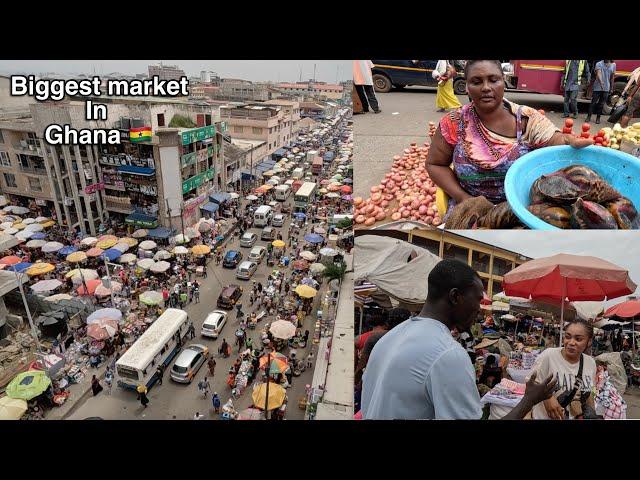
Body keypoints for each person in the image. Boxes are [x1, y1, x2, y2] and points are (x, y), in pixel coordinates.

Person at [360, 259, 556, 420]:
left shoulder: (390, 337)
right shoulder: (448, 353)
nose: (479, 309)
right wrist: (528, 400)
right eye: (478, 299)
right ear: (455, 296)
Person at [426, 60, 593, 221]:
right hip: (470, 206)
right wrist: (464, 198)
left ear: (503, 82)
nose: (486, 88)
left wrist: (567, 141)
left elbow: (553, 138)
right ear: (467, 87)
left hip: (523, 209)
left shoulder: (527, 118)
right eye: (476, 82)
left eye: (493, 80)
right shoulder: (454, 122)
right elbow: (435, 164)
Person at [529, 319, 597, 420]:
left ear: (589, 341)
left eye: (578, 339)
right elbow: (530, 385)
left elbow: (590, 392)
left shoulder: (590, 362)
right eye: (568, 337)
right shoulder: (549, 356)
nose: (571, 342)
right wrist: (547, 398)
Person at [586, 60, 616, 124]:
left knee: (601, 104)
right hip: (597, 87)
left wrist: (611, 88)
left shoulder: (613, 65)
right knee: (593, 103)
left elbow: (612, 77)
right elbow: (598, 73)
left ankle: (598, 118)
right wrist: (601, 82)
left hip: (606, 88)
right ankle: (589, 116)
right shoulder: (599, 64)